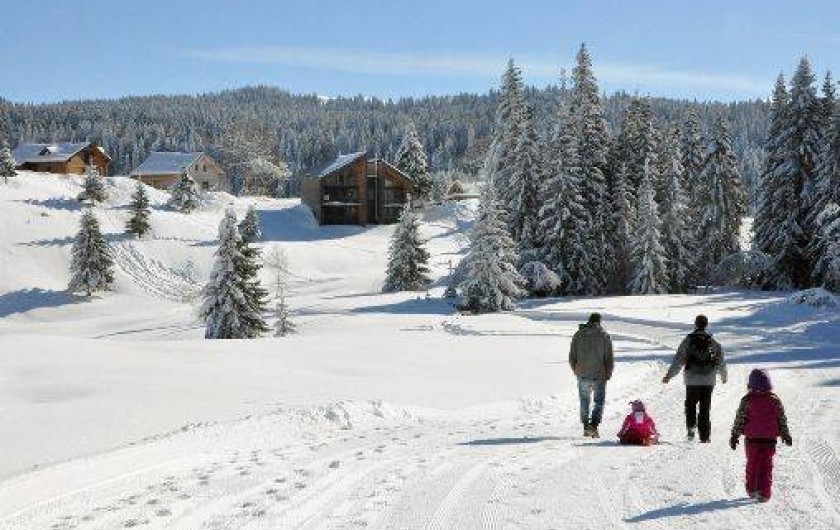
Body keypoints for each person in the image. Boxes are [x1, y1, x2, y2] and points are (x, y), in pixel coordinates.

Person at [662, 315, 727, 443]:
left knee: (690, 404)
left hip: (691, 379)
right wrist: (724, 375)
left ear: (695, 324)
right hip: (709, 379)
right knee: (705, 407)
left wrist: (669, 376)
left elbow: (678, 360)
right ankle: (705, 436)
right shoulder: (713, 342)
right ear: (706, 325)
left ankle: (691, 428)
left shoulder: (688, 340)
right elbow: (720, 361)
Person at [729, 369, 792, 502]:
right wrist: (785, 434)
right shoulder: (775, 400)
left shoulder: (747, 400)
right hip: (769, 440)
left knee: (752, 464)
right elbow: (781, 419)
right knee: (766, 466)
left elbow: (740, 419)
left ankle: (752, 490)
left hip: (752, 440)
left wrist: (735, 435)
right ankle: (764, 493)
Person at [569, 313, 614, 438]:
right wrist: (608, 373)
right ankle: (593, 426)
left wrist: (576, 370)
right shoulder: (604, 335)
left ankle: (585, 427)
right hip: (599, 374)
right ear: (599, 322)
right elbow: (609, 357)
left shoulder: (578, 335)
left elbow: (572, 356)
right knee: (599, 401)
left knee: (584, 401)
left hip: (582, 373)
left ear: (588, 321)